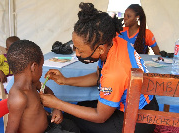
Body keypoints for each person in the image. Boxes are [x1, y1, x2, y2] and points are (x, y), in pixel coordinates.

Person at [39, 2, 159, 133]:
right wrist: (65, 80)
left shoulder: (114, 72)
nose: (77, 54)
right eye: (75, 48)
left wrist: (57, 104)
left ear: (100, 49)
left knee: (70, 119)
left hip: (137, 121)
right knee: (79, 107)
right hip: (141, 108)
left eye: (80, 50)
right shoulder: (114, 42)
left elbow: (100, 116)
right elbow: (98, 76)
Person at [6, 40, 80, 133]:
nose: (42, 70)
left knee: (71, 125)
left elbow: (48, 91)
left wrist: (55, 109)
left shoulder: (33, 83)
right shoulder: (19, 97)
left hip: (49, 126)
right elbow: (10, 130)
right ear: (34, 67)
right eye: (41, 66)